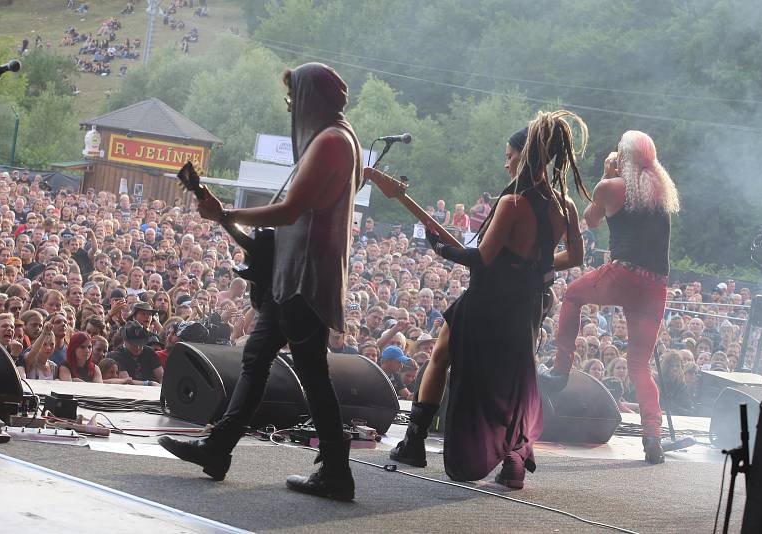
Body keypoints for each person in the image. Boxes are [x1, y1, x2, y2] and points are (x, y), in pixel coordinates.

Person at [159, 63, 362, 501]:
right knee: (256, 357)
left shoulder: (330, 141)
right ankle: (218, 448)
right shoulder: (327, 140)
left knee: (311, 373)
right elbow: (288, 222)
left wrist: (228, 214)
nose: (289, 105)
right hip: (290, 277)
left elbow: (290, 212)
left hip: (306, 277)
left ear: (309, 96)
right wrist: (227, 219)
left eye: (292, 97)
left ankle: (336, 472)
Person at [389, 111, 588, 490]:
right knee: (514, 378)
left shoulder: (513, 202)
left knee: (442, 355)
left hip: (489, 300)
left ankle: (414, 441)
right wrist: (537, 266)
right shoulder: (565, 206)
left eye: (509, 154)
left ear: (523, 156)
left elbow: (483, 256)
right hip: (527, 304)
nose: (506, 160)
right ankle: (513, 461)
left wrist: (440, 249)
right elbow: (574, 257)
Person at [549, 130, 680, 464]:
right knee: (639, 365)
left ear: (623, 158)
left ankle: (561, 368)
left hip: (623, 275)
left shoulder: (610, 187)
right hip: (656, 286)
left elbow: (590, 222)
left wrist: (606, 177)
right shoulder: (660, 194)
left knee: (573, 296)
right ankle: (653, 435)